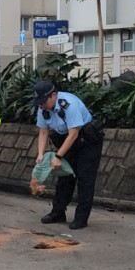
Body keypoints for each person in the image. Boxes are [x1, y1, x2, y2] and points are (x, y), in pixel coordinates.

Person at [32, 80, 104, 230]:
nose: (42, 105)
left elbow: (74, 133)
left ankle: (81, 218)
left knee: (85, 179)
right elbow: (43, 131)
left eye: (44, 101)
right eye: (39, 103)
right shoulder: (43, 108)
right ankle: (58, 213)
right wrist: (40, 154)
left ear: (53, 95)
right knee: (64, 177)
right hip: (68, 141)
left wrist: (58, 157)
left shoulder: (68, 105)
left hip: (87, 141)